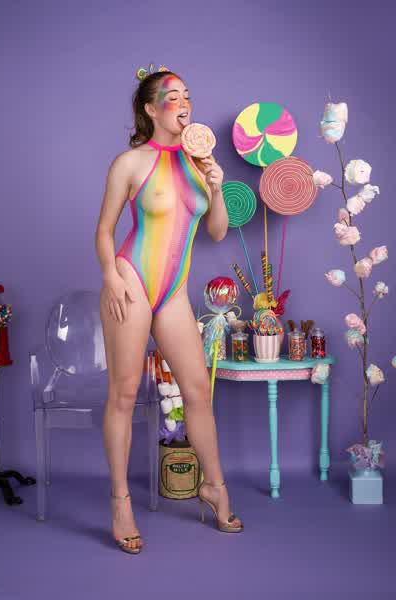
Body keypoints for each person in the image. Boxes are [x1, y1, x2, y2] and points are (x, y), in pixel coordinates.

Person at [94, 69, 243, 554]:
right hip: (132, 282)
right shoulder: (130, 162)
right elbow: (104, 230)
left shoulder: (201, 164)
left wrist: (217, 187)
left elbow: (216, 232)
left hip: (173, 290)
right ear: (151, 109)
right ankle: (120, 502)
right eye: (171, 97)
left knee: (198, 390)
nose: (183, 104)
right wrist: (111, 277)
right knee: (123, 394)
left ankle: (214, 487)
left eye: (186, 96)